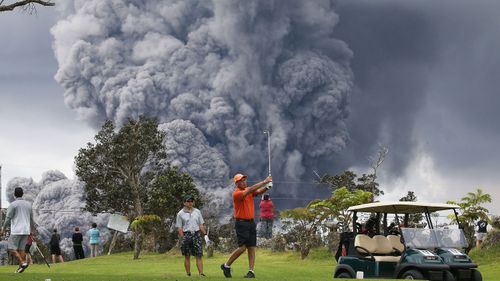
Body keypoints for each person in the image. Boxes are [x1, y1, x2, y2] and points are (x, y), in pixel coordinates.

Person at [221, 173, 272, 278]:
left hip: (251, 222)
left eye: (245, 180)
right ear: (237, 183)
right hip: (241, 223)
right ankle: (226, 265)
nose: (244, 182)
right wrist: (264, 181)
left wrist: (267, 187)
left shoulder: (248, 190)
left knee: (251, 247)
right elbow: (250, 190)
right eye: (241, 181)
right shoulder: (237, 193)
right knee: (242, 248)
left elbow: (257, 192)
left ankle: (251, 272)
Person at [0, 187, 35, 273]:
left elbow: (8, 218)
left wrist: (3, 228)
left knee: (11, 248)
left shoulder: (13, 205)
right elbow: (31, 219)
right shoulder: (28, 205)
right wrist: (31, 230)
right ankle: (21, 267)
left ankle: (23, 263)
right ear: (22, 194)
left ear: (14, 195)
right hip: (26, 230)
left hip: (16, 230)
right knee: (21, 249)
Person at [175, 195, 208, 277]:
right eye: (188, 201)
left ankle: (201, 273)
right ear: (184, 203)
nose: (190, 203)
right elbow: (179, 228)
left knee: (199, 255)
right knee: (187, 256)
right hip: (187, 235)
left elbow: (201, 224)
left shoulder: (197, 211)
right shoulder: (180, 214)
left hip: (196, 234)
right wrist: (183, 238)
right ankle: (188, 274)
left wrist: (205, 235)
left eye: (191, 201)